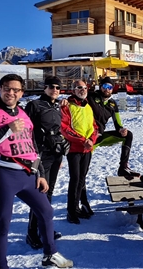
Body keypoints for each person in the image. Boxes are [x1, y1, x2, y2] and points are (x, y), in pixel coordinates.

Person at [0, 74, 73, 268]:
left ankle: (50, 253)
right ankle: (1, 265)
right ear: (0, 89)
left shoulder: (23, 113)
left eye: (15, 90)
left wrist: (40, 173)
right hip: (2, 173)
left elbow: (32, 145)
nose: (11, 93)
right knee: (3, 223)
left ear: (21, 93)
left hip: (27, 173)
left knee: (46, 211)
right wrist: (7, 130)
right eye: (7, 88)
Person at [24, 76, 67, 249]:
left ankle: (46, 230)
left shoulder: (56, 106)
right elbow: (27, 132)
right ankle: (32, 233)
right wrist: (32, 156)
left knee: (49, 195)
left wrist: (61, 152)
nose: (55, 90)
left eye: (58, 87)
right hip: (40, 155)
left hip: (55, 154)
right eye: (51, 87)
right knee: (40, 195)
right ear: (45, 88)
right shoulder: (35, 105)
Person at [60, 80, 98, 225]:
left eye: (84, 87)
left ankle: (77, 207)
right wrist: (83, 140)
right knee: (75, 179)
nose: (82, 90)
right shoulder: (67, 106)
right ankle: (71, 210)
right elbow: (65, 128)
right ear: (73, 90)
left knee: (82, 179)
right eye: (79, 88)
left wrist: (91, 140)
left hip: (87, 148)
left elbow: (94, 126)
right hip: (75, 149)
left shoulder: (88, 106)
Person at [87, 76, 137, 176]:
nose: (107, 89)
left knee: (128, 135)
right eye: (105, 86)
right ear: (100, 86)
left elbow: (117, 123)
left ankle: (123, 167)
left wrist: (121, 129)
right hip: (88, 137)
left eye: (110, 87)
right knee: (82, 169)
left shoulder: (112, 104)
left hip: (100, 137)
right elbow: (78, 97)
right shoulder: (91, 96)